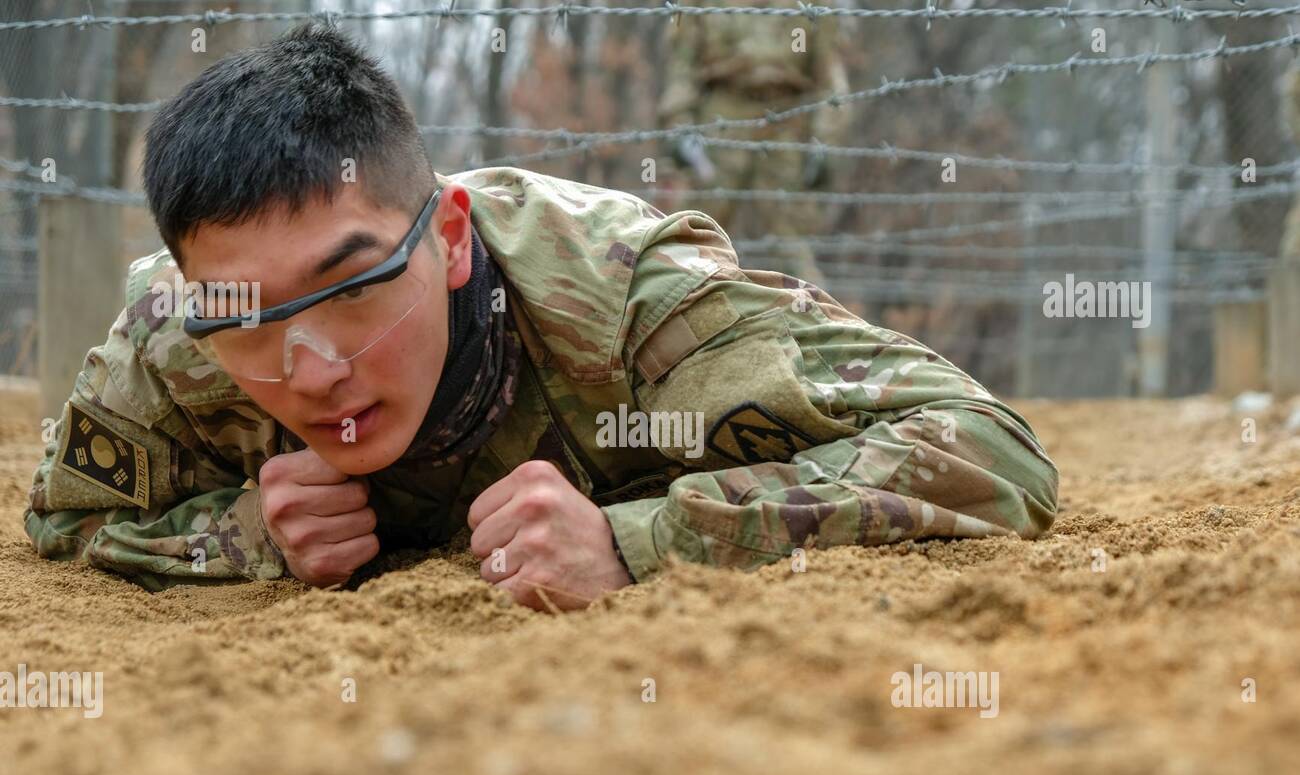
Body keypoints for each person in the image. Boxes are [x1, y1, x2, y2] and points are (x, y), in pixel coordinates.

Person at [24, 25, 1058, 611]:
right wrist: (245, 533)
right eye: (254, 314)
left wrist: (641, 541)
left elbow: (991, 449)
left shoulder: (627, 302)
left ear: (452, 240)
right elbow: (65, 518)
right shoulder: (182, 336)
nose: (313, 367)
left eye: (350, 287)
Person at [656, 0, 851, 286]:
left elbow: (829, 78)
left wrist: (825, 140)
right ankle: (675, 302)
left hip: (787, 118)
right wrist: (679, 125)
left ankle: (806, 316)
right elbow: (683, 67)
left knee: (791, 240)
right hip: (723, 116)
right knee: (697, 233)